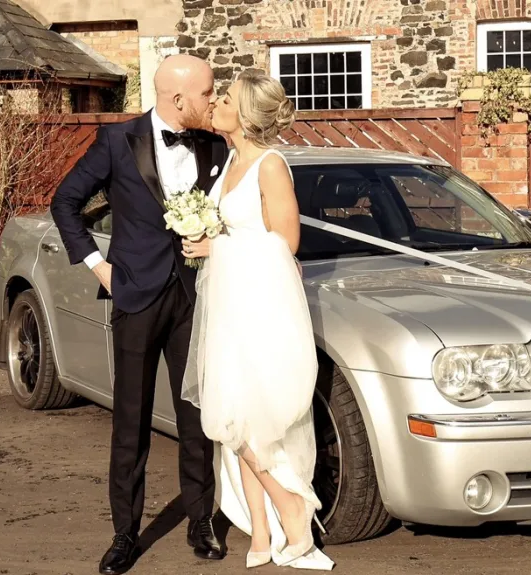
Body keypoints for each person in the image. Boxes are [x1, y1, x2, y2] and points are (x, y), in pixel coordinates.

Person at [49, 55, 230, 575]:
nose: (212, 100)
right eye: (206, 93)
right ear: (177, 99)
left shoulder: (215, 144)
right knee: (131, 420)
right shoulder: (117, 141)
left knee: (197, 416)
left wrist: (212, 240)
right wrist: (99, 266)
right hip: (134, 295)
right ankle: (125, 534)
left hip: (196, 295)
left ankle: (201, 520)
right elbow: (66, 202)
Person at [180, 69, 335, 571]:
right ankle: (262, 533)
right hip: (228, 303)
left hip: (261, 306)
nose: (216, 102)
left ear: (244, 113)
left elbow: (285, 241)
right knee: (231, 417)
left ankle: (290, 508)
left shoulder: (271, 165)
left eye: (223, 98)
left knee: (246, 416)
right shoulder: (227, 164)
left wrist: (214, 244)